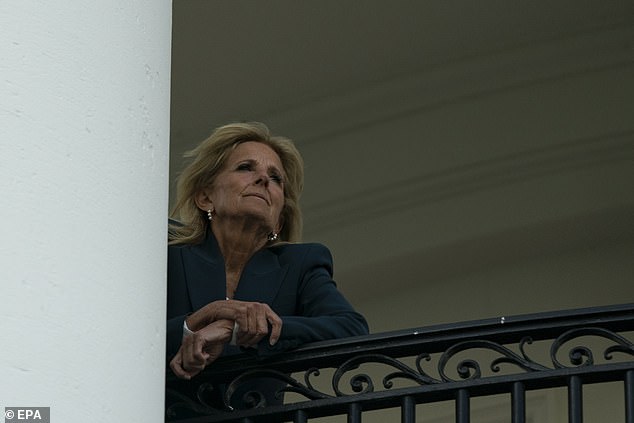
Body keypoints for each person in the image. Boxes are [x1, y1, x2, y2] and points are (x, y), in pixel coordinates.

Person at [166, 122, 369, 386]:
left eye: (276, 178)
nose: (263, 179)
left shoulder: (299, 266)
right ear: (205, 197)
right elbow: (117, 334)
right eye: (245, 167)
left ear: (278, 222)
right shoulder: (166, 254)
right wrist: (197, 322)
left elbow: (351, 328)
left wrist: (237, 330)